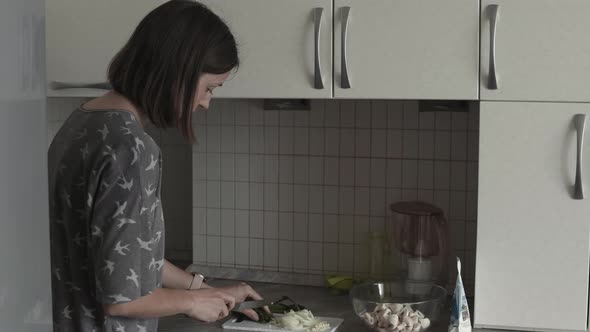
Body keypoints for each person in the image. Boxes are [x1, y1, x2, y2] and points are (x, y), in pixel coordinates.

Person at [48, 1, 266, 331]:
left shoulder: (84, 121)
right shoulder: (132, 148)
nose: (206, 103)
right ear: (179, 73)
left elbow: (124, 256)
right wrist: (193, 303)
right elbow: (121, 299)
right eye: (209, 88)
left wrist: (202, 288)